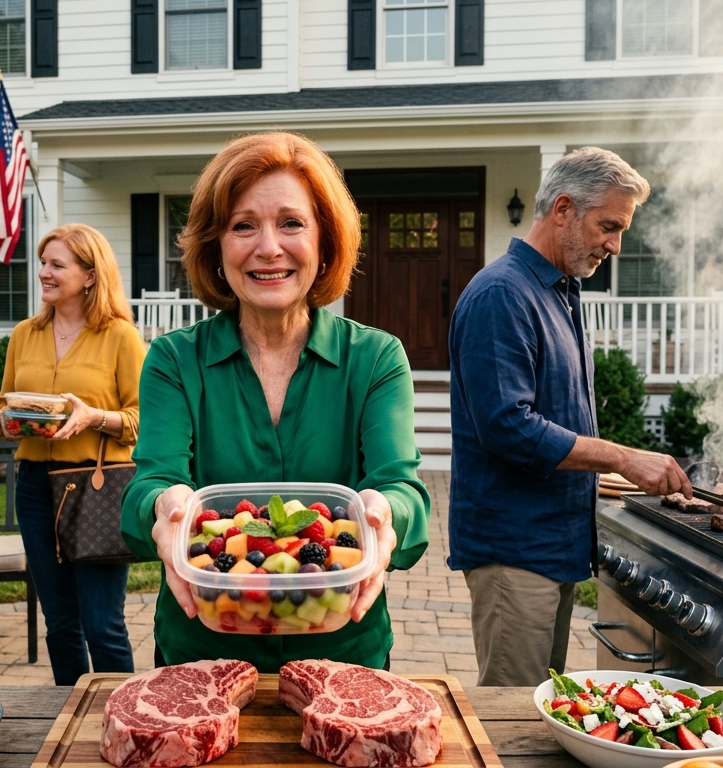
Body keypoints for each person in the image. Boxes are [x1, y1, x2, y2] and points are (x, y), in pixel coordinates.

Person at [120, 131, 431, 672]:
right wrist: (164, 507)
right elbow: (148, 487)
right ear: (215, 247)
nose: (268, 248)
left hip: (341, 654)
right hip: (203, 653)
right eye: (243, 226)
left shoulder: (377, 358)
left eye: (292, 223)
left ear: (325, 240)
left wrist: (384, 515)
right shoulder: (173, 360)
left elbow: (401, 489)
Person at [447, 147, 692, 687]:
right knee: (513, 722)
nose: (616, 245)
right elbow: (508, 425)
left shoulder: (561, 291)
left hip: (552, 546)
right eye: (608, 226)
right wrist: (623, 458)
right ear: (562, 209)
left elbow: (555, 416)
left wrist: (600, 475)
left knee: (542, 709)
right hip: (514, 551)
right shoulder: (502, 294)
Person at [0, 223, 145, 686]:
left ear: (91, 275)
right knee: (60, 623)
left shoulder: (120, 336)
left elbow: (143, 419)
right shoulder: (25, 333)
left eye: (57, 264)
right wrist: (13, 420)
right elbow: (1, 407)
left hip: (96, 486)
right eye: (43, 263)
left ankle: (125, 717)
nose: (44, 273)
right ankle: (67, 712)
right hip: (36, 487)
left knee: (102, 624)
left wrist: (93, 418)